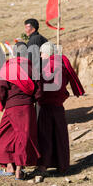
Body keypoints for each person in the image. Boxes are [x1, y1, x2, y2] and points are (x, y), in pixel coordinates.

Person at [0, 42, 42, 180]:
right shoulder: (32, 68)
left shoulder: (8, 67)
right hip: (27, 107)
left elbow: (1, 89)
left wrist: (2, 103)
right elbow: (39, 90)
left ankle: (10, 167)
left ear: (14, 53)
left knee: (5, 136)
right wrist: (32, 99)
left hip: (12, 107)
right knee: (23, 138)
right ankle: (19, 169)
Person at [36, 42, 84, 175]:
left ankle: (43, 166)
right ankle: (62, 165)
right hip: (58, 106)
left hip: (47, 106)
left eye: (42, 53)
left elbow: (45, 87)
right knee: (60, 136)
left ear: (48, 53)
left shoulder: (49, 66)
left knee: (45, 136)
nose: (41, 56)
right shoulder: (61, 65)